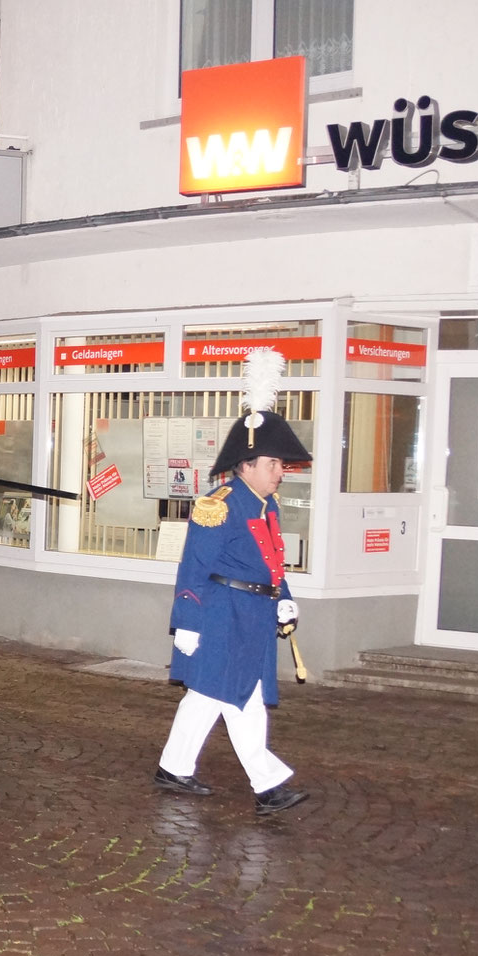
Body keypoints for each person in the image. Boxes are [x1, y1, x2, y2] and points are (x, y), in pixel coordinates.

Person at [156, 348, 311, 815]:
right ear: (246, 465)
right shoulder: (218, 504)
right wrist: (187, 621)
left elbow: (270, 561)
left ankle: (174, 767)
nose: (281, 473)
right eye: (274, 465)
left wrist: (283, 598)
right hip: (222, 614)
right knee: (242, 697)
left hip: (253, 614)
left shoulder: (267, 506)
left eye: (282, 466)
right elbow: (193, 568)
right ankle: (267, 785)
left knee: (207, 696)